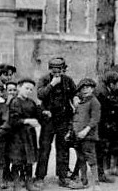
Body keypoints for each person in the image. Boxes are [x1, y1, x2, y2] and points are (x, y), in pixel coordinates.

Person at [34, 57, 76, 187]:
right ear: (50, 69)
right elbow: (40, 95)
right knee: (45, 148)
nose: (57, 73)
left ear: (64, 70)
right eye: (54, 70)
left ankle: (63, 176)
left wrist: (75, 99)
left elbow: (75, 93)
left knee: (63, 148)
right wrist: (52, 84)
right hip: (48, 119)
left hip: (63, 118)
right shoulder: (44, 80)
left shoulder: (68, 80)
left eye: (60, 70)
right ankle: (40, 177)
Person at [7, 78, 46, 191]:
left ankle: (29, 183)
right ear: (19, 87)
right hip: (17, 137)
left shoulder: (31, 102)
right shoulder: (14, 102)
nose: (28, 91)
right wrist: (27, 121)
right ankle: (17, 184)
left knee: (29, 160)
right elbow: (13, 120)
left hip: (29, 136)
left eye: (31, 89)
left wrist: (43, 113)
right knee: (17, 161)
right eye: (26, 88)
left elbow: (37, 115)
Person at [95, 70, 118, 183]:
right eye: (117, 83)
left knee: (99, 150)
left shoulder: (106, 91)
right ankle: (100, 175)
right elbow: (106, 109)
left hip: (101, 125)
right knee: (99, 150)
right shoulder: (103, 93)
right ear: (111, 83)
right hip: (99, 125)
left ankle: (99, 173)